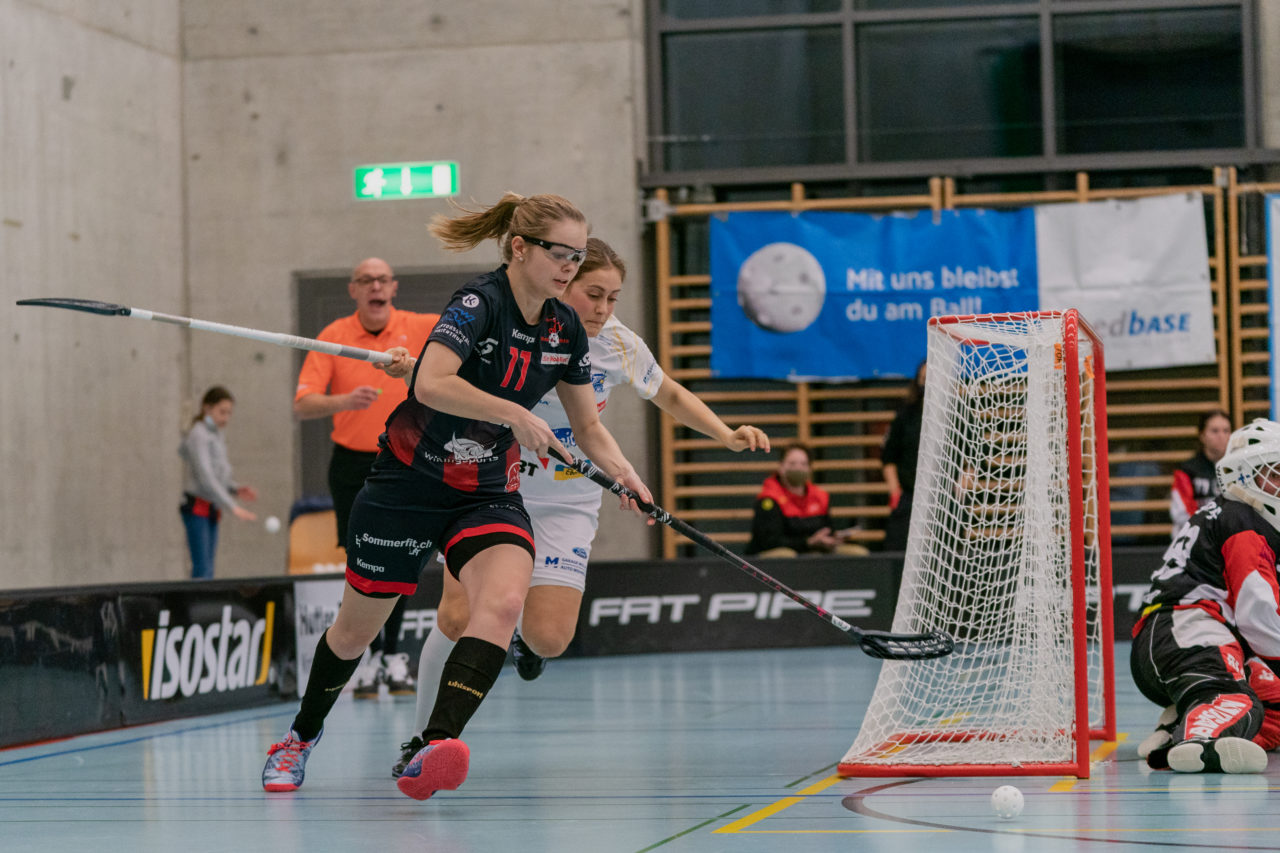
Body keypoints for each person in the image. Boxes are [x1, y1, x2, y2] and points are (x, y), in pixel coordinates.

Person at [261, 192, 652, 802]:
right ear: (520, 248)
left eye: (578, 256)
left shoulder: (564, 327)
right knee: (355, 632)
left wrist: (627, 474)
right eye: (560, 254)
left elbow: (590, 427)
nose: (570, 268)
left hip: (487, 491)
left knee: (500, 603)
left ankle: (432, 745)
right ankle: (298, 739)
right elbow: (431, 381)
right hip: (409, 485)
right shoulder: (479, 303)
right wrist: (512, 415)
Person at [394, 238, 771, 775]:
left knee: (550, 637)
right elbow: (442, 377)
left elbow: (669, 394)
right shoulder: (505, 324)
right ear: (559, 281)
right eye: (594, 294)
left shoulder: (616, 343)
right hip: (491, 489)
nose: (603, 309)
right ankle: (419, 742)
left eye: (614, 298)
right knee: (457, 616)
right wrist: (415, 370)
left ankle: (523, 638)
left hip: (568, 500)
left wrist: (725, 434)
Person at [294, 257, 440, 698]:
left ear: (393, 287)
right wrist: (342, 401)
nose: (375, 287)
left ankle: (392, 656)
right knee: (364, 561)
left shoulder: (422, 325)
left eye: (382, 279)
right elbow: (303, 404)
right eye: (365, 280)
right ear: (353, 290)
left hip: (408, 459)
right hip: (353, 465)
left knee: (402, 556)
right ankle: (371, 655)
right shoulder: (334, 337)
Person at [1131, 418, 1280, 775]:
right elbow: (1258, 615)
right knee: (1238, 700)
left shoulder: (1229, 513)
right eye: (1274, 473)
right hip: (1186, 628)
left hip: (1175, 639)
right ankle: (1198, 738)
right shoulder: (1243, 521)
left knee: (1274, 706)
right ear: (1246, 476)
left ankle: (1177, 724)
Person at [179, 386, 258, 579]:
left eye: (229, 413)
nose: (226, 418)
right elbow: (206, 476)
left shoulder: (216, 433)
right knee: (202, 568)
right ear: (207, 408)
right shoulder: (199, 434)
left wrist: (234, 488)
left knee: (209, 567)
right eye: (222, 412)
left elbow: (218, 472)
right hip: (197, 508)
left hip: (212, 508)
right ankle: (196, 607)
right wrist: (232, 506)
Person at [745, 442, 865, 558]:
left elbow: (828, 529)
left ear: (809, 468)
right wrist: (807, 542)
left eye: (803, 464)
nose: (798, 468)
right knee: (785, 555)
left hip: (813, 552)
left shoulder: (820, 497)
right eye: (792, 464)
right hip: (774, 558)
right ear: (781, 467)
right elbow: (769, 542)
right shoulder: (769, 500)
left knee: (856, 552)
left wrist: (830, 539)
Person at [880, 360, 926, 553]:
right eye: (924, 378)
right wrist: (895, 492)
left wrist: (960, 488)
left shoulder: (959, 412)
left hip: (946, 498)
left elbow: (973, 459)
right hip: (909, 496)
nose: (928, 383)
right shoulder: (906, 415)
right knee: (898, 549)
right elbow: (888, 457)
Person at [1170, 408, 1231, 531]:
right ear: (1202, 435)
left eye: (1226, 431)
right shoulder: (1186, 470)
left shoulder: (1238, 469)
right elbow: (1181, 513)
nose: (1221, 436)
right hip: (1193, 538)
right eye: (1215, 431)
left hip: (1226, 536)